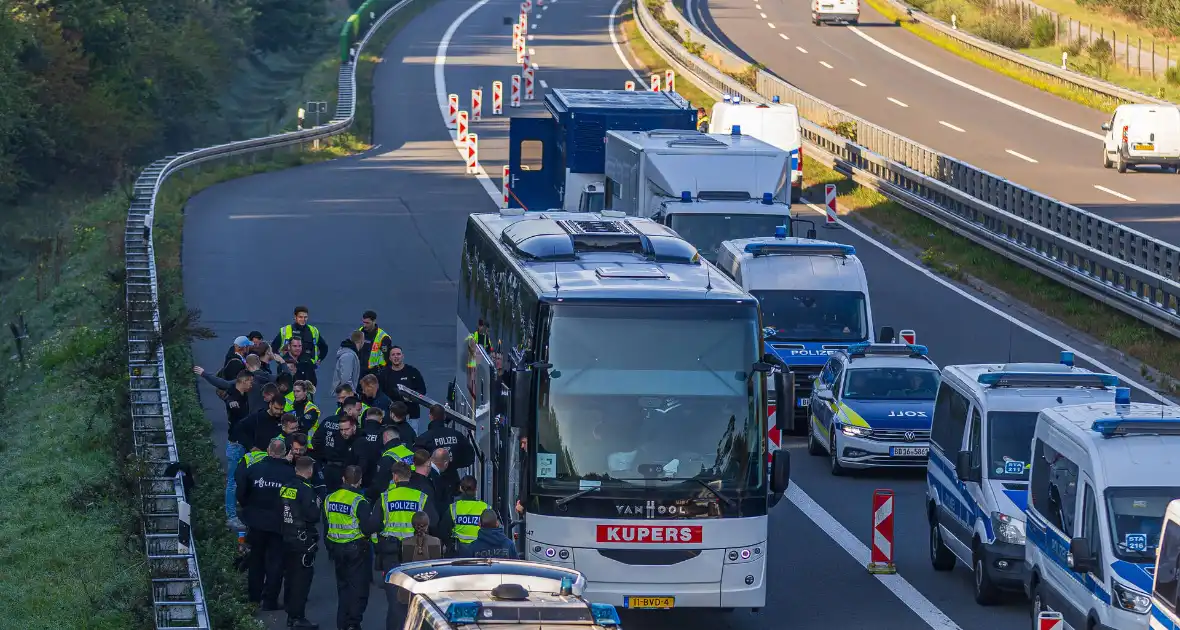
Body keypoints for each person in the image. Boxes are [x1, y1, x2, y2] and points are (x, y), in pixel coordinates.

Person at [367, 462, 430, 630]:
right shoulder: (421, 497)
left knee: (395, 600)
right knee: (416, 597)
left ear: (395, 477)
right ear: (409, 476)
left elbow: (373, 525)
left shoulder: (385, 497)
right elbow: (435, 522)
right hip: (416, 552)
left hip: (391, 554)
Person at [237, 438, 296, 609]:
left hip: (255, 522)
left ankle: (254, 598)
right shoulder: (290, 474)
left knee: (256, 560)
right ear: (284, 453)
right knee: (276, 563)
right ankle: (270, 601)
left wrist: (249, 508)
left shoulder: (254, 469)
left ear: (269, 451)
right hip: (279, 524)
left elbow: (241, 493)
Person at [324, 465, 378, 630]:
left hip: (336, 548)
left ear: (343, 479)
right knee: (358, 589)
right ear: (360, 481)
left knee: (343, 587)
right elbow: (367, 528)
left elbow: (326, 525)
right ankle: (353, 624)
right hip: (356, 550)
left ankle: (342, 623)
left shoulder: (330, 498)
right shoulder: (359, 501)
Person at [279, 456, 321, 629]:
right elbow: (313, 515)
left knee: (289, 577)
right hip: (302, 540)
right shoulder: (306, 490)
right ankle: (298, 617)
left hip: (286, 536)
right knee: (301, 580)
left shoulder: (285, 487)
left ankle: (291, 613)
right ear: (310, 471)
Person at [392, 511, 442, 627]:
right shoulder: (437, 542)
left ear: (412, 525)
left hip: (408, 590)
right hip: (431, 589)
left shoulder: (403, 543)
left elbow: (402, 564)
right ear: (428, 524)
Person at [415, 404, 474, 497]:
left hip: (432, 482)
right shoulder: (457, 435)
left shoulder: (424, 439)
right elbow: (470, 456)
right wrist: (454, 463)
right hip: (452, 480)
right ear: (444, 416)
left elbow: (417, 461)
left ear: (430, 416)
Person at [378, 346, 427, 427]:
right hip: (392, 415)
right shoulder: (384, 374)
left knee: (411, 438)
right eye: (393, 355)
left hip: (411, 414)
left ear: (403, 356)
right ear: (390, 358)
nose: (396, 356)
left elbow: (422, 391)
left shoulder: (413, 372)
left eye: (398, 354)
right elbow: (380, 393)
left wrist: (411, 398)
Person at [313, 411, 360, 493]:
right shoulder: (341, 437)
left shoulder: (328, 421)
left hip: (337, 469)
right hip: (334, 469)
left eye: (346, 429)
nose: (344, 432)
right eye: (341, 430)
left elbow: (317, 440)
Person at [366, 428, 416, 503]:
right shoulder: (409, 452)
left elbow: (379, 484)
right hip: (413, 493)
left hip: (395, 497)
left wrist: (368, 494)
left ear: (385, 437)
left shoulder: (388, 457)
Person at [449, 475, 489, 551]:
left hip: (459, 552)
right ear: (476, 489)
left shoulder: (453, 508)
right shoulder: (486, 508)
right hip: (481, 551)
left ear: (460, 488)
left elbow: (443, 531)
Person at [355, 406, 388, 488]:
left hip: (358, 475)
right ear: (381, 420)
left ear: (366, 418)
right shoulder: (384, 433)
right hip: (376, 475)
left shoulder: (358, 432)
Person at [357, 310, 393, 378]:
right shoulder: (360, 332)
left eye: (367, 323)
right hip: (360, 372)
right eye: (363, 322)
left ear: (374, 321)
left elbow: (388, 358)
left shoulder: (383, 337)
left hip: (376, 374)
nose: (364, 325)